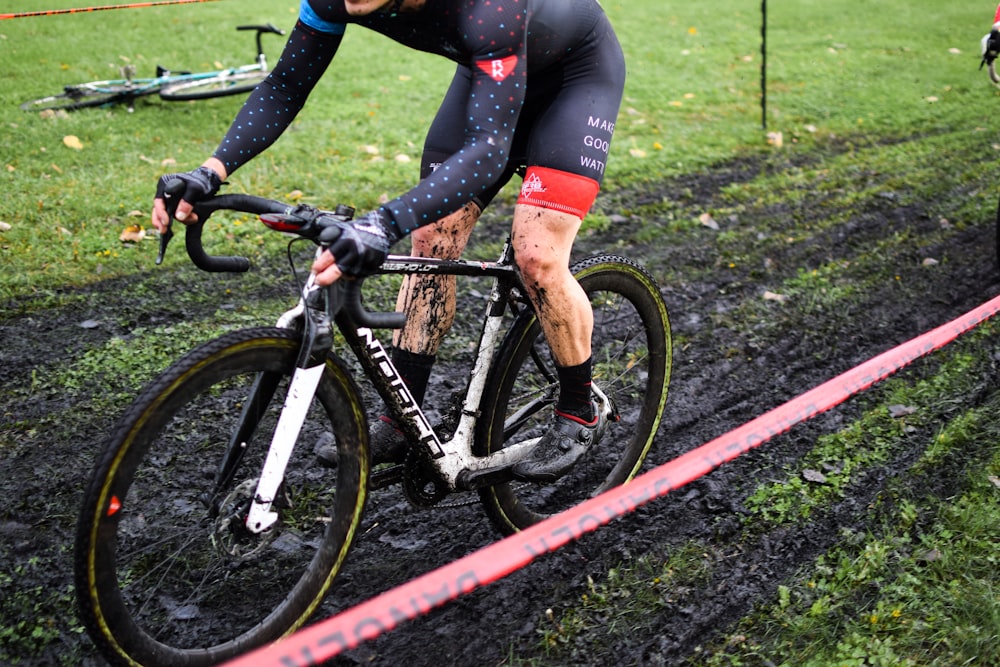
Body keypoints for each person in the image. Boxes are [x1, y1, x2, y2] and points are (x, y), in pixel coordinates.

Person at [151, 0, 625, 482]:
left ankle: (578, 407)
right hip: (488, 76)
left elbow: (488, 150)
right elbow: (286, 84)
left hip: (573, 78)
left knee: (537, 257)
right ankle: (404, 419)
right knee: (434, 235)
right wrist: (210, 172)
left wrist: (382, 224)